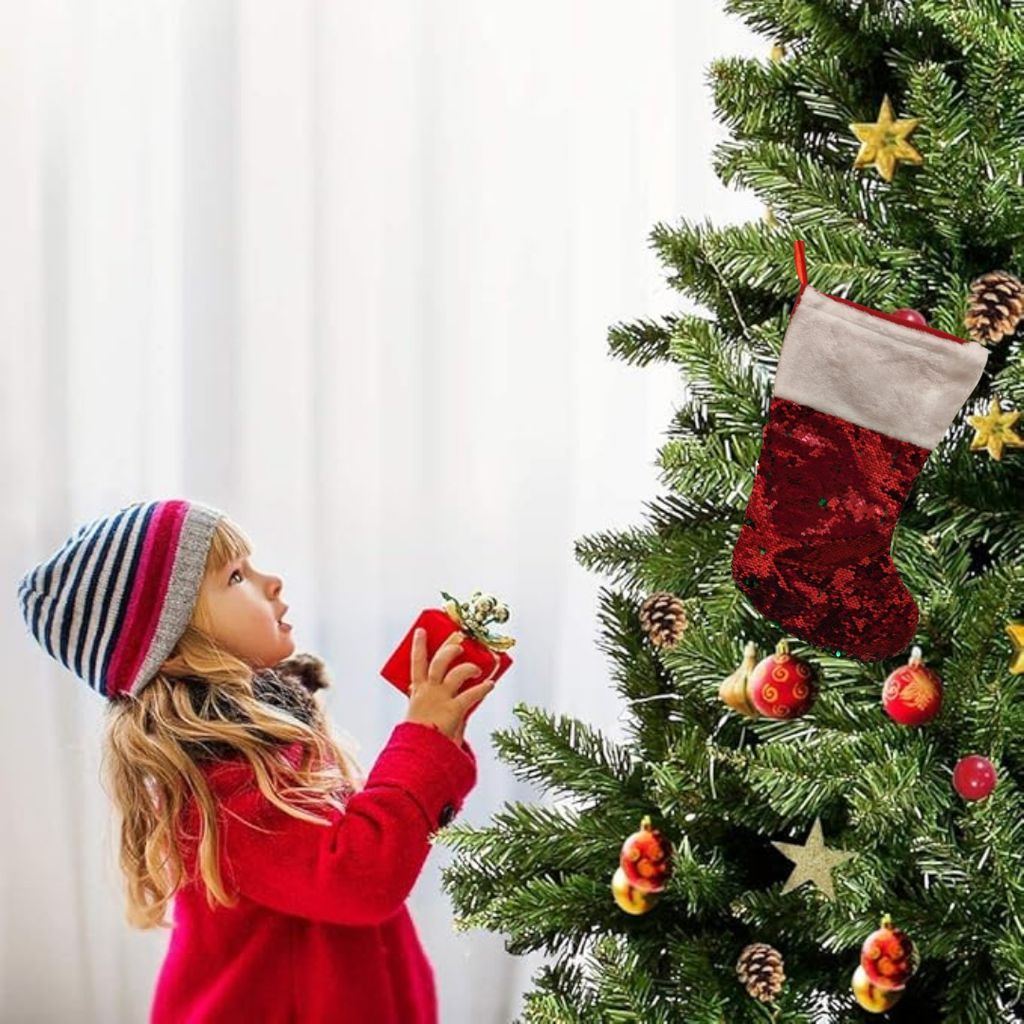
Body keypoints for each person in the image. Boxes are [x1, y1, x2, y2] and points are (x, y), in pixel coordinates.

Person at [15, 497, 498, 1023]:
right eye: (237, 576)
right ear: (175, 650)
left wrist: (436, 738)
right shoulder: (221, 788)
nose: (273, 582)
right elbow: (359, 878)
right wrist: (423, 740)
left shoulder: (264, 747)